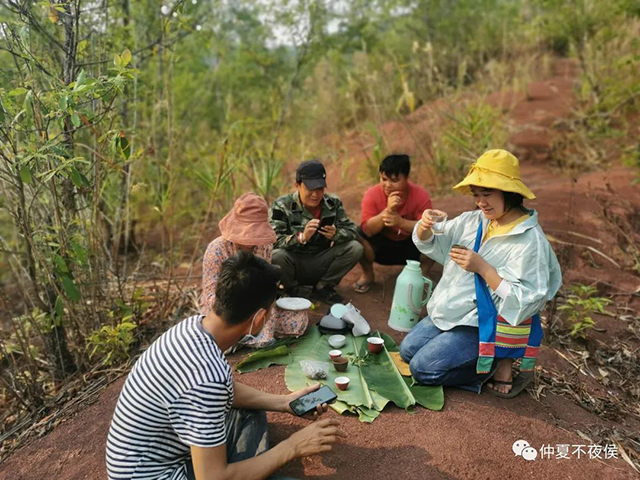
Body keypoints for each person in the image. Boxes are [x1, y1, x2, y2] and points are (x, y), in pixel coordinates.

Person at [106, 251, 345, 480]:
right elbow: (212, 478)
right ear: (259, 318)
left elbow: (225, 390)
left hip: (147, 459)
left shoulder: (194, 327)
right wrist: (292, 447)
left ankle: (251, 468)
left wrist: (284, 402)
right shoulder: (207, 378)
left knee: (251, 412)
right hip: (152, 475)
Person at [399, 149, 562, 398]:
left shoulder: (530, 241)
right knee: (408, 351)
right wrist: (425, 225)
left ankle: (491, 366)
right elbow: (434, 239)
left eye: (487, 194)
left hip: (482, 324)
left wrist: (484, 268)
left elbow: (528, 298)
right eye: (477, 195)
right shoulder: (475, 220)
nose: (481, 202)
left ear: (510, 192)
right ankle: (468, 355)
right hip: (453, 311)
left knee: (423, 369)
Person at [201, 193, 307, 349]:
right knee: (217, 337)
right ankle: (242, 337)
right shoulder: (216, 250)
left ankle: (247, 337)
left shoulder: (264, 246)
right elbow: (210, 295)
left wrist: (266, 305)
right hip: (226, 313)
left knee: (298, 320)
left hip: (256, 311)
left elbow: (265, 286)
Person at [270, 159, 363, 304]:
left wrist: (336, 234)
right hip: (293, 264)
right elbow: (274, 242)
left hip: (321, 261)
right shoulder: (281, 205)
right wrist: (301, 237)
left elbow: (353, 230)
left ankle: (323, 287)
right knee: (277, 255)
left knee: (355, 248)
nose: (315, 195)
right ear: (297, 185)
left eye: (320, 189)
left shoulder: (333, 203)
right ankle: (292, 290)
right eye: (310, 189)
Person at [354, 154, 433, 293]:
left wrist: (401, 222)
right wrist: (388, 211)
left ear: (406, 178)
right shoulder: (372, 195)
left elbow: (427, 226)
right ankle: (368, 274)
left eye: (394, 180)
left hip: (410, 246)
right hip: (381, 247)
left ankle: (423, 275)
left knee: (436, 234)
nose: (388, 185)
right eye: (383, 179)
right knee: (356, 234)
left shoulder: (420, 195)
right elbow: (367, 230)